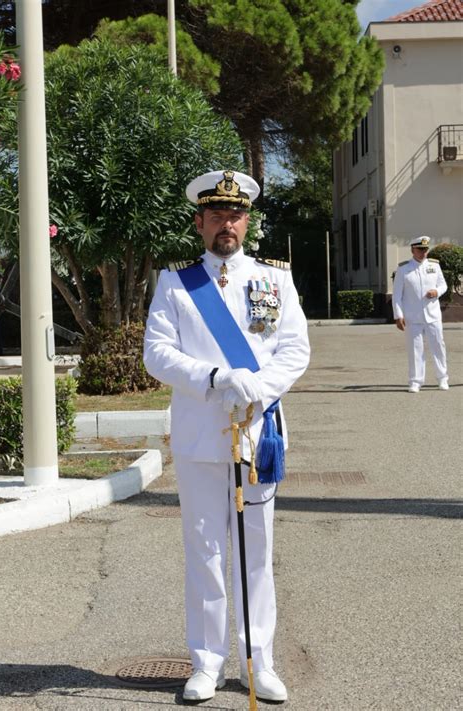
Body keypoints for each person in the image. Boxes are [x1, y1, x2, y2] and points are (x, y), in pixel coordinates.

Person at [143, 170, 310, 703]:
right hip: (199, 435)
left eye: (235, 215)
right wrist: (215, 379)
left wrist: (258, 387)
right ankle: (207, 662)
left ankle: (259, 660)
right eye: (216, 215)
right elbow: (158, 353)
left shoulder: (275, 279)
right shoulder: (176, 282)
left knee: (256, 552)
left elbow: (295, 348)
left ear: (246, 221)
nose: (227, 224)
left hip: (258, 433)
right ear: (199, 222)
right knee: (206, 550)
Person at [392, 236, 449, 393]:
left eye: (425, 249)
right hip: (412, 317)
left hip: (433, 315)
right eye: (419, 249)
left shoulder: (434, 266)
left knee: (438, 346)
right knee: (415, 349)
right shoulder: (403, 269)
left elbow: (443, 285)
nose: (423, 252)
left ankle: (442, 378)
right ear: (412, 250)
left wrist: (436, 291)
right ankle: (415, 381)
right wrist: (398, 315)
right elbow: (397, 295)